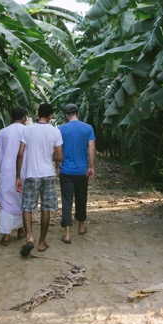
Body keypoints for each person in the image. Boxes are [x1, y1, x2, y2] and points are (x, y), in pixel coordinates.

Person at [15, 102, 63, 257]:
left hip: (31, 174)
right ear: (50, 116)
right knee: (46, 208)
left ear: (38, 114)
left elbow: (20, 154)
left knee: (27, 207)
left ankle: (29, 237)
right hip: (48, 174)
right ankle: (42, 243)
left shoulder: (27, 130)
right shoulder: (55, 132)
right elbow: (60, 156)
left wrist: (17, 176)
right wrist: (53, 159)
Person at [57, 103, 96, 244]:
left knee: (67, 201)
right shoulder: (88, 128)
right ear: (77, 113)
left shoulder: (60, 129)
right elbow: (91, 149)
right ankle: (81, 226)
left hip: (66, 170)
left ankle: (67, 234)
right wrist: (91, 167)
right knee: (81, 197)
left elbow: (58, 150)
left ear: (66, 115)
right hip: (81, 170)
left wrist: (58, 166)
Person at [0, 107, 27, 246]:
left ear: (11, 117)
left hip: (7, 171)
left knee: (7, 202)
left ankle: (6, 235)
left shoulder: (3, 132)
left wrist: (3, 169)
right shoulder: (27, 131)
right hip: (24, 170)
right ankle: (21, 231)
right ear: (24, 118)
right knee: (22, 200)